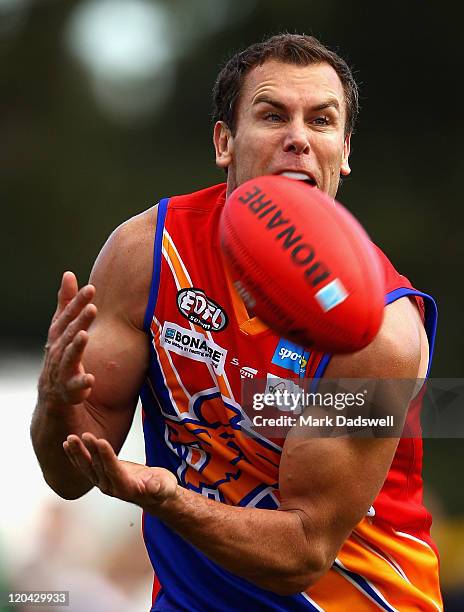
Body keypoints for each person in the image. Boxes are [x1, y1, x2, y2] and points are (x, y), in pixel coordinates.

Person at [31, 34, 442, 611]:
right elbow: (72, 472)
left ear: (344, 152)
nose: (298, 138)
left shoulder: (379, 327)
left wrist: (169, 500)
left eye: (321, 121)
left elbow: (302, 550)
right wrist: (52, 404)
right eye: (273, 115)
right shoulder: (148, 255)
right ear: (225, 141)